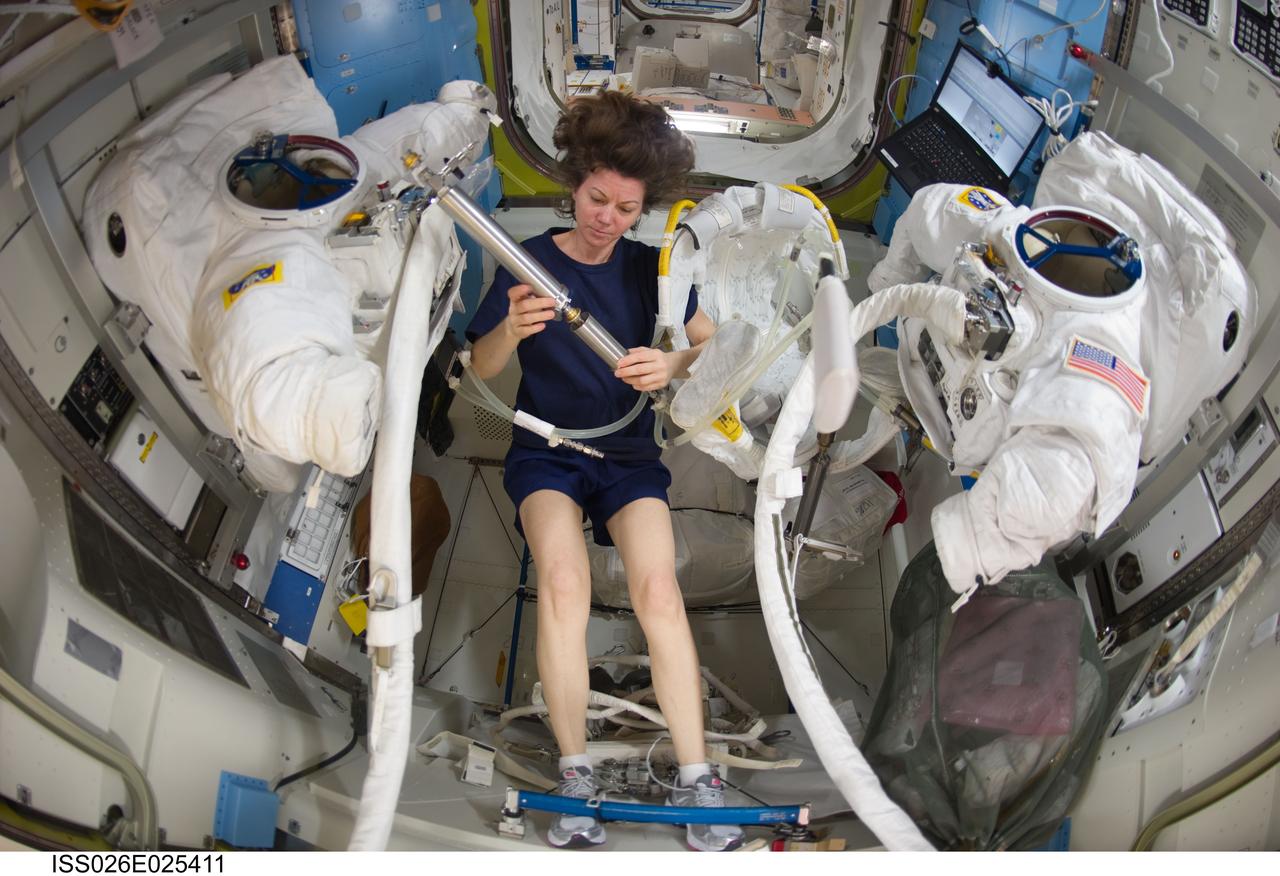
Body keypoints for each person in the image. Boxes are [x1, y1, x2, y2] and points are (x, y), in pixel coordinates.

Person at [465, 91, 742, 852]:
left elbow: (714, 348)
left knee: (658, 590)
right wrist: (511, 333)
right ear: (575, 181)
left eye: (625, 207)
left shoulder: (656, 267)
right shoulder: (528, 262)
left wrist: (673, 361)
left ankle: (697, 779)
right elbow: (477, 371)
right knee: (563, 585)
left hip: (627, 457)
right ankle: (577, 774)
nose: (606, 218)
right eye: (596, 199)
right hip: (547, 449)